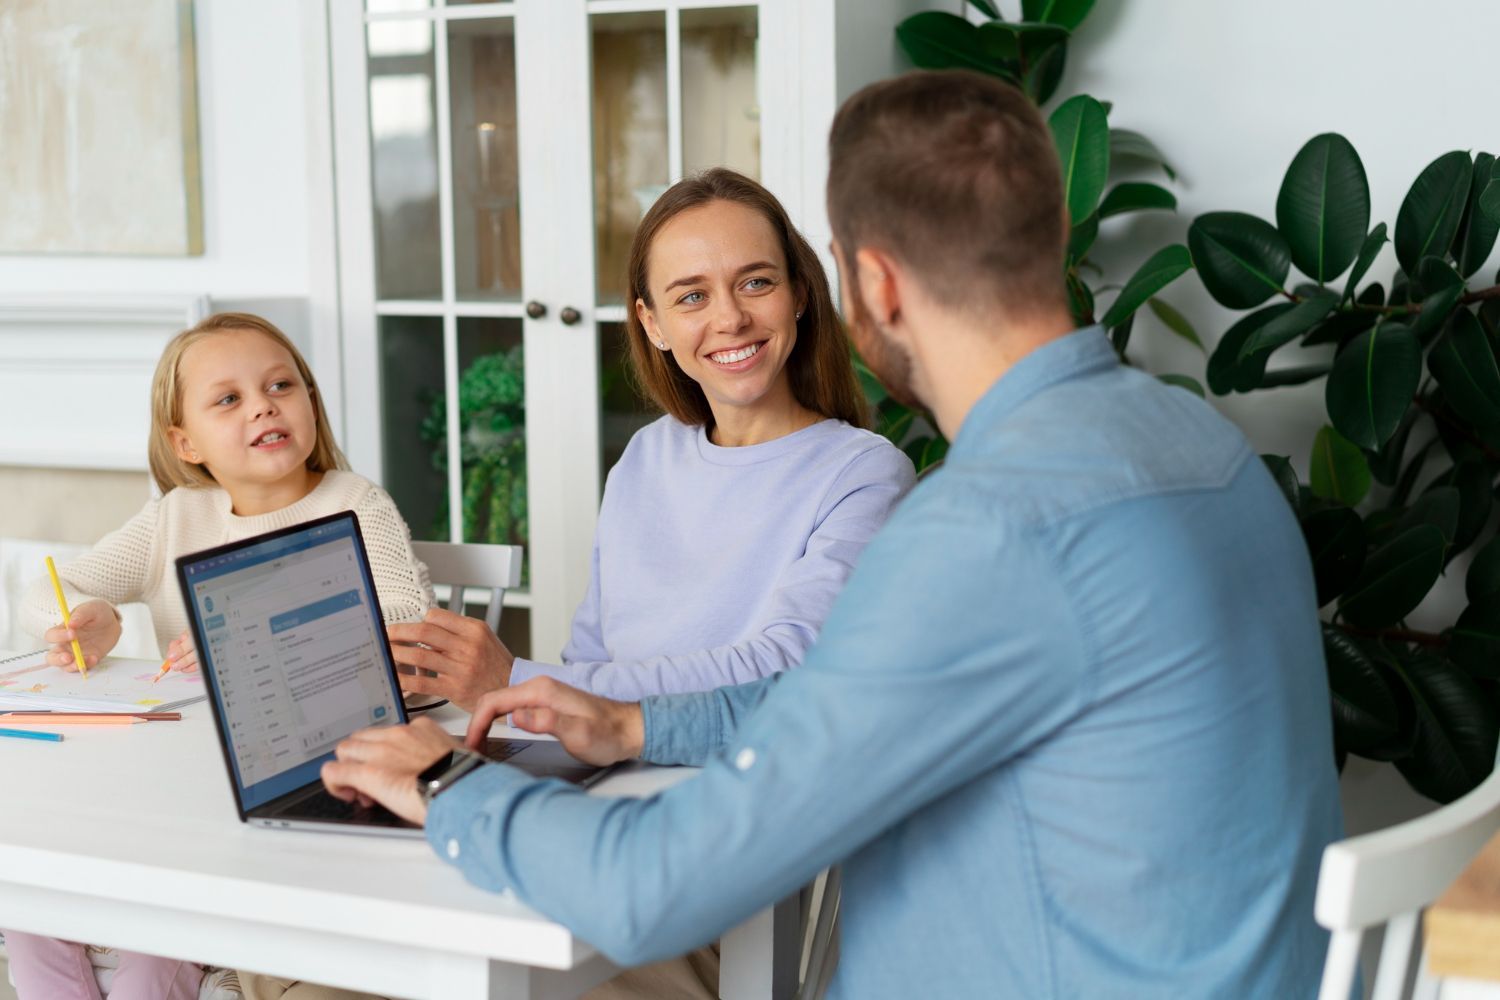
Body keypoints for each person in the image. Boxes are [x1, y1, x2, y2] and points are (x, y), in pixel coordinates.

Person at [322, 70, 1344, 998]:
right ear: (1053, 231)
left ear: (869, 286)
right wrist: (637, 727)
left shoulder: (985, 530)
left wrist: (444, 783)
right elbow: (827, 694)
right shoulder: (1206, 446)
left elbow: (653, 884)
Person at [8, 312, 432, 1000]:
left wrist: (244, 646)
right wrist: (88, 618)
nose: (263, 405)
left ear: (311, 402)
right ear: (186, 441)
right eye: (229, 399)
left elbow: (406, 625)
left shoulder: (355, 503)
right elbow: (45, 595)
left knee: (150, 939)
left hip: (285, 781)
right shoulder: (176, 515)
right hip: (174, 778)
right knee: (32, 914)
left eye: (280, 386)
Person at [389, 168, 914, 710]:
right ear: (653, 324)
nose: (731, 318)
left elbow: (786, 666)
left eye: (756, 282)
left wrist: (517, 682)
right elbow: (589, 659)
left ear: (799, 294)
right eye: (692, 296)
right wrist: (547, 707)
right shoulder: (645, 455)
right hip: (609, 752)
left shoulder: (864, 474)